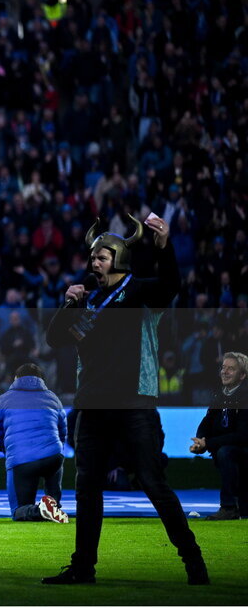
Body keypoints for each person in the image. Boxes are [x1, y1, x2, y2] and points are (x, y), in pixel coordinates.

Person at [45, 215, 208, 585]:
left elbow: (170, 285)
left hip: (134, 402)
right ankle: (82, 567)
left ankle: (193, 560)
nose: (94, 264)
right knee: (86, 488)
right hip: (92, 404)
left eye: (101, 258)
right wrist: (67, 304)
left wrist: (163, 244)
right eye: (92, 258)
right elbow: (55, 339)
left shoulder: (139, 291)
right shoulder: (87, 300)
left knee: (152, 482)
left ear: (118, 259)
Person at [0, 363, 69, 523]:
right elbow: (62, 433)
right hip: (53, 457)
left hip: (21, 461)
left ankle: (40, 510)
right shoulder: (53, 398)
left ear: (16, 379)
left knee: (19, 511)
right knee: (54, 497)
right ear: (41, 379)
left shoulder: (4, 400)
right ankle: (53, 507)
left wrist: (5, 450)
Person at [190, 352, 248, 520]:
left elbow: (243, 436)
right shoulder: (221, 394)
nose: (225, 372)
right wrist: (201, 440)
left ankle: (229, 507)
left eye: (231, 369)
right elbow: (207, 421)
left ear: (242, 375)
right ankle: (234, 506)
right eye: (223, 367)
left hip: (242, 450)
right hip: (229, 449)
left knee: (225, 452)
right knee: (224, 451)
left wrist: (209, 444)